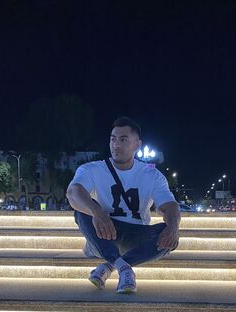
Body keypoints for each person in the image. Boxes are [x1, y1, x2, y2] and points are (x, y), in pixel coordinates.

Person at [66, 116, 180, 294]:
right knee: (82, 211)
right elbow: (73, 192)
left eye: (123, 140)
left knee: (170, 234)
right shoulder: (92, 169)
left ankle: (110, 266)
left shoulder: (152, 175)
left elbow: (170, 206)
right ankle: (124, 268)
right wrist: (97, 212)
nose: (116, 145)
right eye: (113, 139)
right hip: (104, 233)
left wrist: (173, 227)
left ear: (137, 145)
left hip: (137, 236)